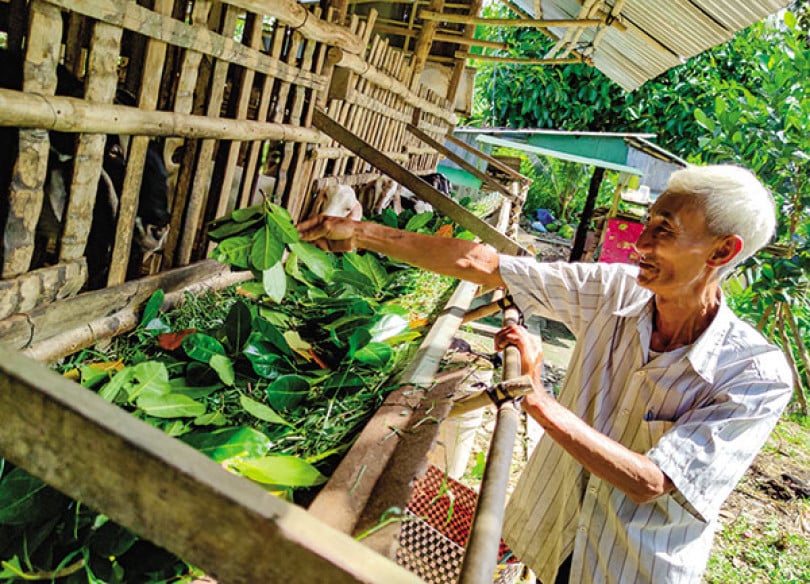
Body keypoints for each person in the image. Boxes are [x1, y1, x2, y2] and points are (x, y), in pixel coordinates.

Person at [297, 164, 793, 584]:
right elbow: (487, 264)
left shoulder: (753, 374)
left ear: (722, 252)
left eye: (664, 230)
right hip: (551, 537)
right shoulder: (616, 291)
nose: (641, 243)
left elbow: (651, 480)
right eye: (647, 223)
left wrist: (533, 395)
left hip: (629, 569)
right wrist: (361, 233)